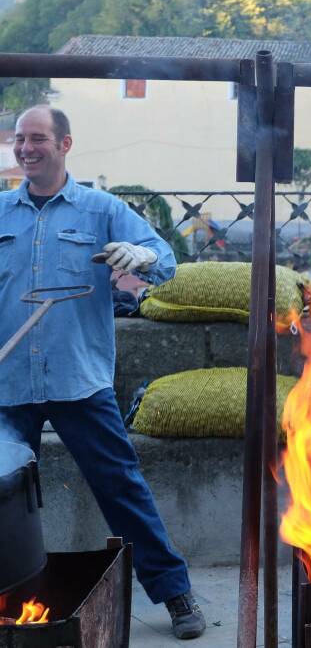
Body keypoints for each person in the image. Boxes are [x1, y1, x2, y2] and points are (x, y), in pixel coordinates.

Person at [0, 106, 206, 639]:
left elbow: (166, 260)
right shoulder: (0, 212)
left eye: (37, 138)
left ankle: (176, 594)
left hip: (78, 379)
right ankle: (8, 599)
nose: (26, 149)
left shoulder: (100, 209)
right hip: (8, 384)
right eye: (20, 139)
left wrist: (139, 255)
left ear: (65, 145)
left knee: (121, 486)